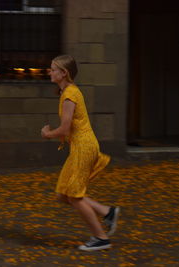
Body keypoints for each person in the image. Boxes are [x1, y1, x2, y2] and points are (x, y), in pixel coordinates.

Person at [41, 55, 120, 251]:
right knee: (63, 194)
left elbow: (65, 129)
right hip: (80, 147)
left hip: (84, 148)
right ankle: (107, 212)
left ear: (63, 73)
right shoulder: (68, 92)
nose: (49, 72)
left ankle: (101, 238)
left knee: (74, 196)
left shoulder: (70, 95)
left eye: (53, 69)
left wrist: (47, 134)